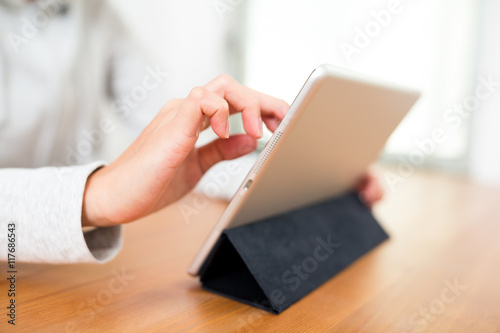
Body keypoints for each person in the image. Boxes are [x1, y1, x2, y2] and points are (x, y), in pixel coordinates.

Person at [0, 0, 383, 264]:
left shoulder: (97, 14)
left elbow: (188, 143)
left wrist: (303, 178)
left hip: (73, 263)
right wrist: (96, 195)